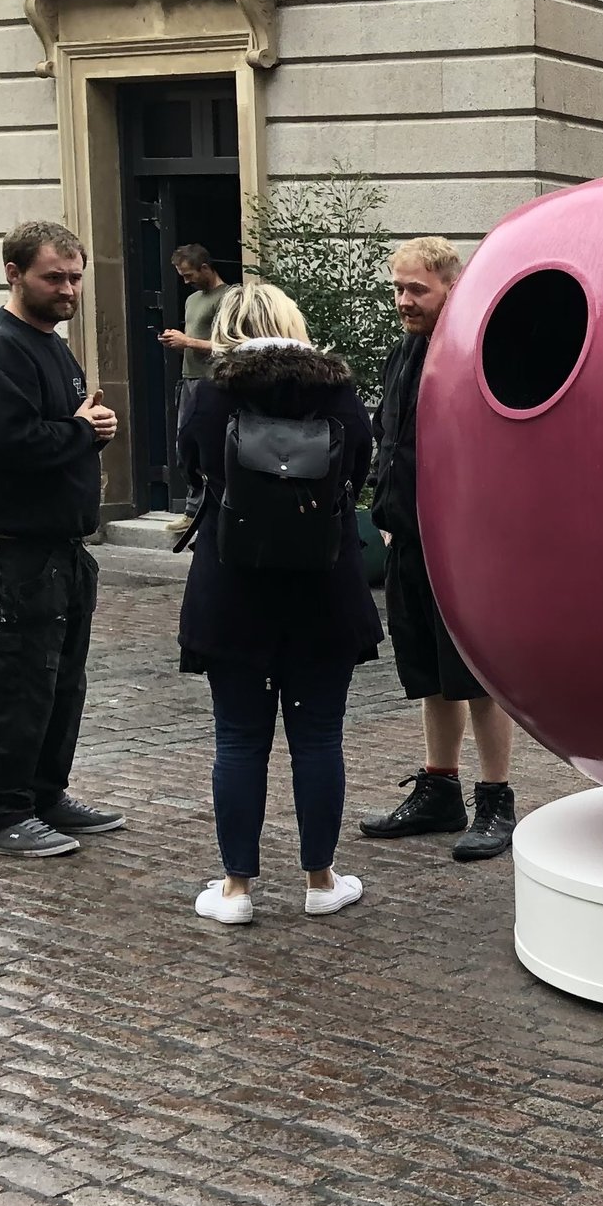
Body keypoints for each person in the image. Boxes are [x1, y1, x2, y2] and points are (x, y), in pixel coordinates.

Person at [178, 284, 381, 924]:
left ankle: (236, 890)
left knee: (238, 740)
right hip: (323, 590)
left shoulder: (213, 394)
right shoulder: (337, 393)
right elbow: (360, 471)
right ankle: (321, 880)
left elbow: (194, 468)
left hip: (233, 588)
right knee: (318, 737)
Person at [360, 237, 521, 861]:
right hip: (409, 540)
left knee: (477, 676)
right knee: (428, 671)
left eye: (416, 290)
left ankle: (496, 799)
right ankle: (439, 789)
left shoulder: (472, 354)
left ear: (451, 289)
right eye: (397, 289)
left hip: (464, 547)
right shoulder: (403, 352)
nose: (403, 301)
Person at [0, 221, 122, 858]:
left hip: (65, 551)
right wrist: (79, 431)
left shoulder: (51, 344)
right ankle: (4, 810)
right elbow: (11, 442)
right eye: (55, 277)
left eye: (76, 277)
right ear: (14, 273)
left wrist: (90, 427)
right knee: (19, 682)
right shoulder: (1, 346)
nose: (69, 289)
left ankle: (46, 793)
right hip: (16, 553)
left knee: (63, 682)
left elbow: (61, 428)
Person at [156, 243, 231, 516]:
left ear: (206, 268)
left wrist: (187, 341)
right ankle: (193, 509)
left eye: (189, 275)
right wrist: (179, 342)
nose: (186, 281)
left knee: (212, 448)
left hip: (214, 382)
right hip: (189, 379)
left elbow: (231, 344)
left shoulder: (230, 297)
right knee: (185, 448)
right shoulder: (192, 300)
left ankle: (211, 510)